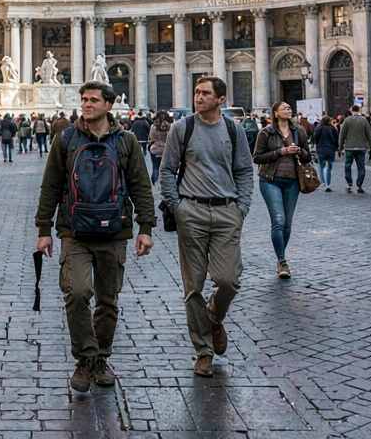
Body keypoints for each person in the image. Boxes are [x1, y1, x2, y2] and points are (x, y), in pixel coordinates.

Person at [36, 81, 155, 392]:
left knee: (108, 301)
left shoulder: (127, 142)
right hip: (74, 230)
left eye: (93, 100)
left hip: (114, 231)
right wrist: (44, 229)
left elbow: (141, 186)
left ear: (108, 105)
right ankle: (85, 357)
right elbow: (50, 186)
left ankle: (101, 356)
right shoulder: (66, 140)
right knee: (76, 293)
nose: (86, 105)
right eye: (84, 100)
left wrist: (146, 228)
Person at [159, 77, 254, 378]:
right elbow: (166, 170)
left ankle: (214, 317)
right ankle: (203, 352)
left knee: (228, 280)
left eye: (205, 93)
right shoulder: (181, 128)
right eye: (197, 92)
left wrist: (242, 209)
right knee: (193, 287)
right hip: (192, 212)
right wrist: (178, 208)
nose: (198, 97)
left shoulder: (233, 129)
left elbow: (245, 171)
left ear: (221, 100)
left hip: (227, 211)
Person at [253, 101, 310, 279]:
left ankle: (280, 258)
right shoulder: (266, 132)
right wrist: (281, 152)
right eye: (284, 108)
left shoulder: (298, 131)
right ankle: (282, 260)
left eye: (290, 108)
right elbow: (257, 158)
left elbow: (308, 155)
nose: (289, 110)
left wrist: (300, 151)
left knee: (287, 223)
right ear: (276, 113)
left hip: (293, 181)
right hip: (271, 180)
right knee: (278, 220)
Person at [337, 105, 371, 194]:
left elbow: (342, 135)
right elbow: (369, 134)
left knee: (348, 164)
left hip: (349, 147)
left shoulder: (347, 120)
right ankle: (359, 183)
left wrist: (340, 147)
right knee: (361, 166)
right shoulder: (364, 120)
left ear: (351, 110)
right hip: (361, 147)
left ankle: (349, 181)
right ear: (359, 110)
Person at [312, 114, 338, 192]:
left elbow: (315, 138)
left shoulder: (318, 128)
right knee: (329, 167)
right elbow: (336, 139)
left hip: (321, 149)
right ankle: (328, 184)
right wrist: (336, 148)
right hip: (330, 150)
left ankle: (322, 182)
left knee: (321, 166)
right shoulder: (332, 128)